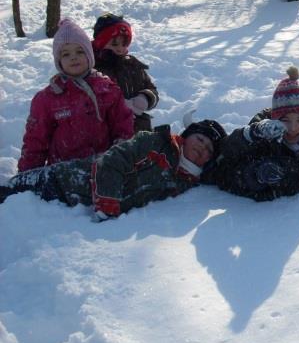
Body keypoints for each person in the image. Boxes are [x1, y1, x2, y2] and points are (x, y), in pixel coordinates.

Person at [1, 118, 226, 220]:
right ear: (185, 137)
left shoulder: (185, 180)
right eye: (200, 139)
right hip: (62, 180)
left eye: (208, 149)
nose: (202, 147)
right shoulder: (155, 143)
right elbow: (111, 161)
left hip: (68, 203)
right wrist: (107, 204)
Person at [18, 18, 135, 172]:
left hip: (102, 171)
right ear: (58, 60)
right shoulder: (47, 99)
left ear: (90, 55)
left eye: (80, 51)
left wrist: (119, 159)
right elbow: (36, 142)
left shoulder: (108, 90)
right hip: (62, 174)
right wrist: (26, 176)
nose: (73, 57)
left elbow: (123, 127)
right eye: (66, 54)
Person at [92, 13, 159, 132]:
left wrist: (146, 98)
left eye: (124, 44)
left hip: (138, 129)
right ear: (100, 42)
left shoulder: (132, 65)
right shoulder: (93, 69)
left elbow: (151, 89)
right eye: (114, 44)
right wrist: (116, 106)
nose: (120, 48)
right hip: (108, 133)